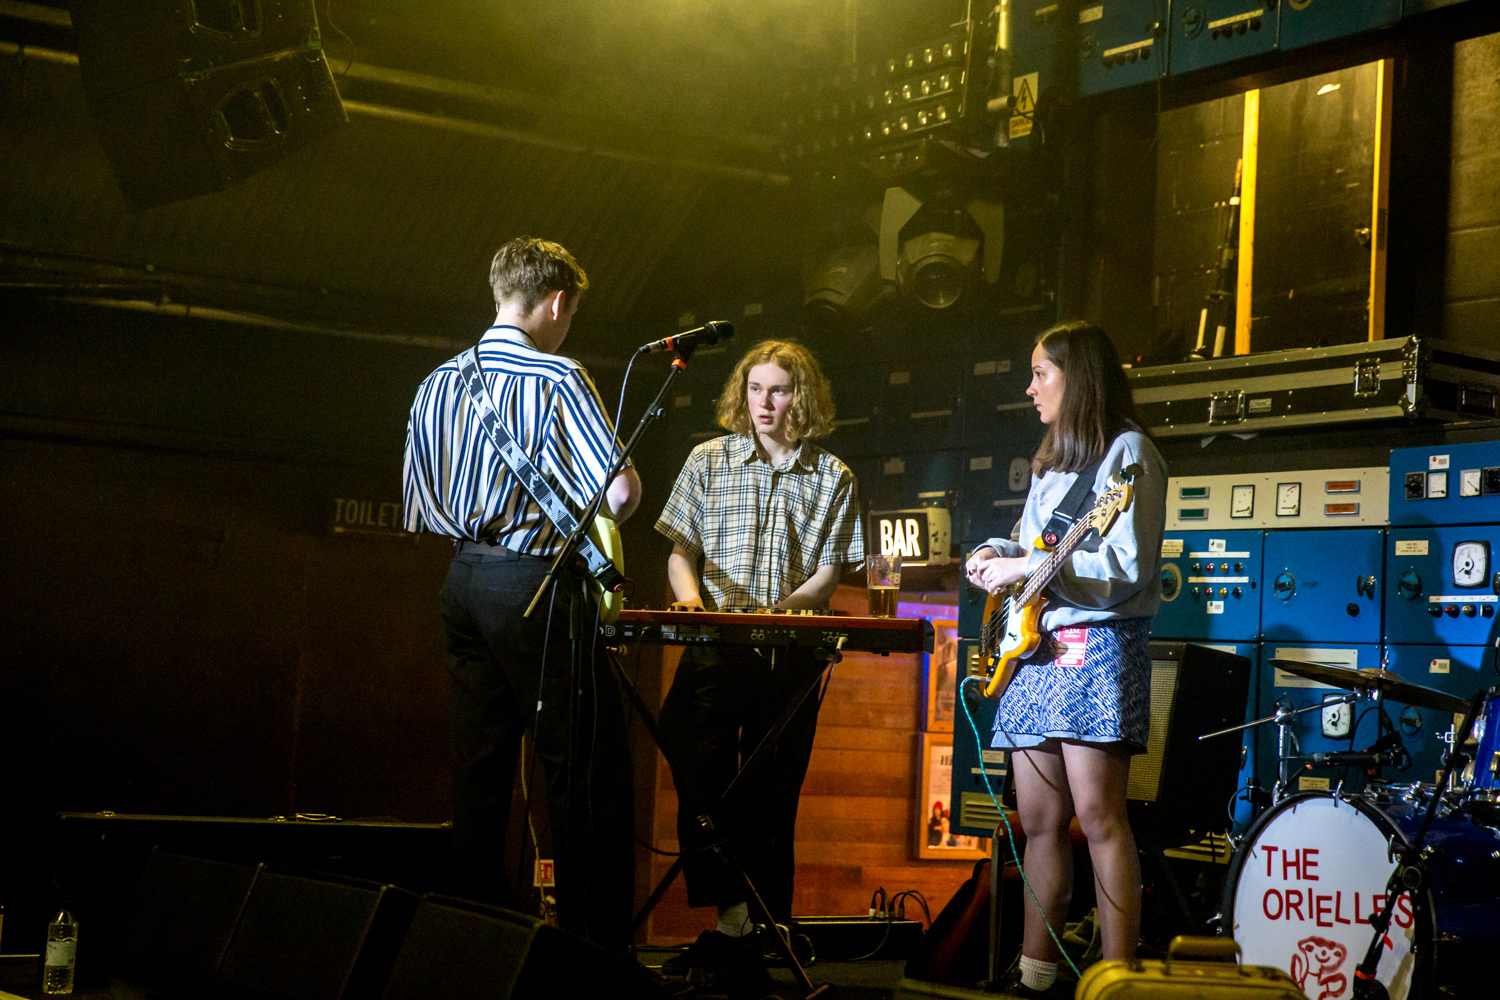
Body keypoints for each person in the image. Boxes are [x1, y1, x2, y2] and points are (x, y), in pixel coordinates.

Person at [402, 237, 641, 951]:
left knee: (480, 769)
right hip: (532, 583)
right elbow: (621, 491)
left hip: (462, 580)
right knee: (584, 767)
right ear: (557, 301)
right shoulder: (560, 377)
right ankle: (592, 952)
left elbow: (419, 501)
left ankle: (474, 939)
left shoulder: (435, 382)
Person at [654, 340, 864, 995]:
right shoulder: (707, 459)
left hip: (789, 653)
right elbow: (679, 553)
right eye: (755, 390)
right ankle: (741, 920)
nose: (765, 403)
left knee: (771, 789)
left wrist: (785, 608)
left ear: (800, 398)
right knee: (686, 748)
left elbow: (830, 571)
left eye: (777, 391)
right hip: (717, 645)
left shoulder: (834, 476)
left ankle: (743, 929)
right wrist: (691, 603)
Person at [964, 321, 1166, 997]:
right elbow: (1032, 544)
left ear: (1077, 378)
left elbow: (1124, 567)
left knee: (1100, 817)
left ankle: (1116, 979)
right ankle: (1036, 974)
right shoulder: (1053, 461)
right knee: (1040, 822)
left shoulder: (1130, 454)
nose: (1030, 388)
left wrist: (1027, 564)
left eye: (1041, 373)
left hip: (1095, 647)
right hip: (1033, 648)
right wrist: (994, 554)